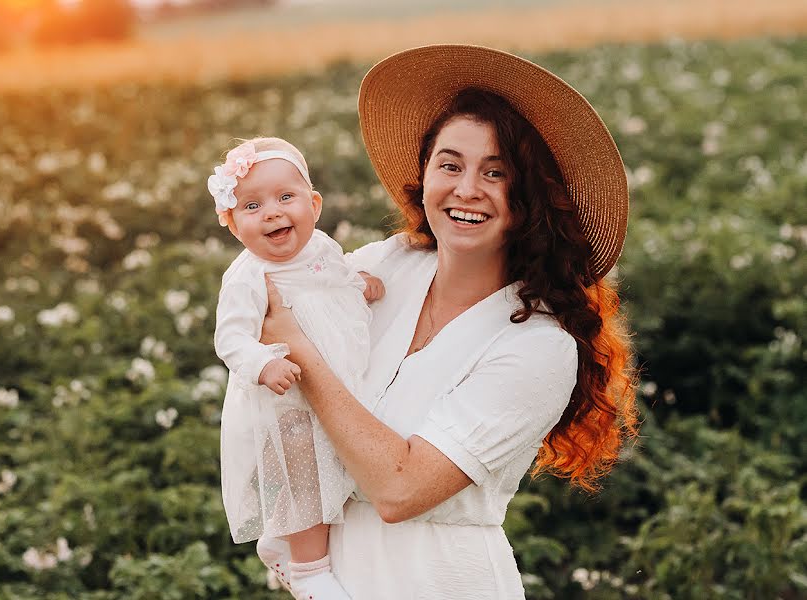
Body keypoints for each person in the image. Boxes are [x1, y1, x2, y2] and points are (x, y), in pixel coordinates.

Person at [257, 45, 640, 599]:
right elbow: (267, 355)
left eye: (496, 172)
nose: (466, 189)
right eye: (450, 164)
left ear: (529, 197)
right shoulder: (378, 267)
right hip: (327, 580)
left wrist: (302, 353)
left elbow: (400, 488)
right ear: (425, 173)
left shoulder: (539, 345)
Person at [210, 137, 384, 600]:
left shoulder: (323, 248)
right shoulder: (248, 277)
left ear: (314, 204)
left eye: (285, 197)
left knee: (341, 460)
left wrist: (357, 284)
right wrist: (262, 364)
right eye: (251, 205)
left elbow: (335, 276)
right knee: (301, 471)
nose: (271, 212)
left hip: (337, 382)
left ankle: (293, 544)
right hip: (286, 400)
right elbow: (230, 338)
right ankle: (308, 570)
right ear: (232, 224)